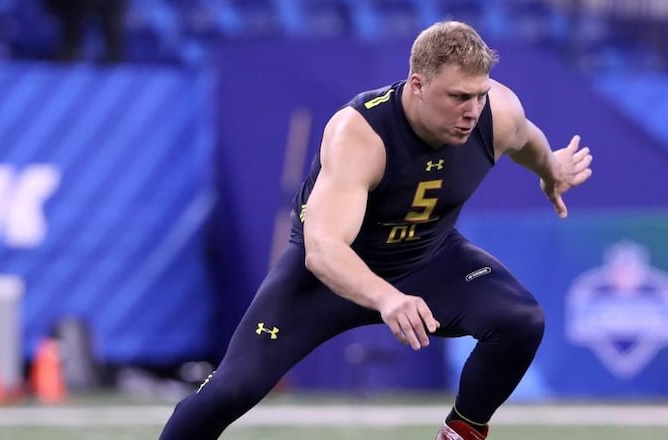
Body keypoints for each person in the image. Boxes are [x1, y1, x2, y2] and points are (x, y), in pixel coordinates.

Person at [158, 20, 592, 440]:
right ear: (418, 85)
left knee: (520, 320)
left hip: (426, 258)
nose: (471, 111)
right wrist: (387, 297)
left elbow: (527, 139)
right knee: (231, 391)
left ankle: (459, 434)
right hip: (328, 275)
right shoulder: (360, 133)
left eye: (479, 95)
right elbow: (324, 248)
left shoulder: (497, 113)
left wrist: (551, 171)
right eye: (459, 97)